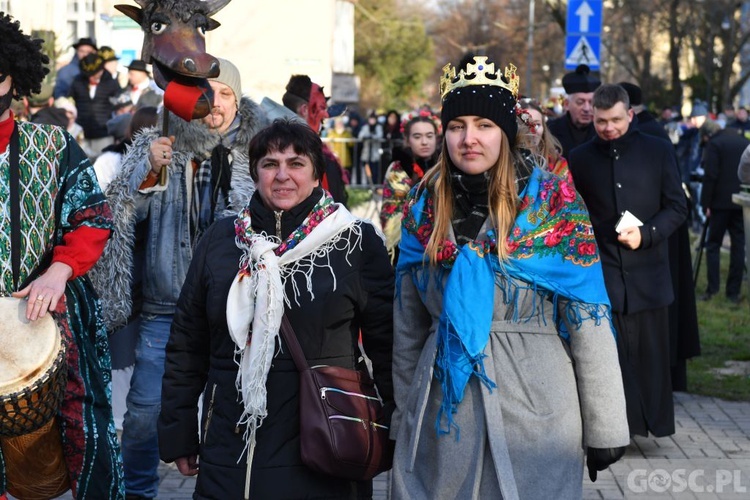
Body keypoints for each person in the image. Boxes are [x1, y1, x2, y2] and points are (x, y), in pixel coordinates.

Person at [390, 55, 629, 499]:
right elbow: (408, 326)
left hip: (538, 412)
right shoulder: (424, 206)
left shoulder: (552, 203)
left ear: (505, 129)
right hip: (445, 412)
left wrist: (606, 426)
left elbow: (587, 317)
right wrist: (405, 416)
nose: (469, 139)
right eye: (458, 125)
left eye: (483, 124)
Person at [158, 119, 394, 498]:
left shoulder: (354, 242)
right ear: (255, 174)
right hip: (231, 443)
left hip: (322, 443)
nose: (282, 175)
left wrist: (397, 425)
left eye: (296, 163)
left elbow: (388, 345)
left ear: (317, 174)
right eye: (270, 164)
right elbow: (188, 342)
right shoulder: (221, 241)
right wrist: (178, 429)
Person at [90, 57, 267, 500]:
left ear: (238, 102)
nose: (216, 104)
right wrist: (147, 171)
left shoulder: (258, 155)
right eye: (207, 93)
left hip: (236, 311)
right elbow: (117, 215)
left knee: (231, 414)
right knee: (144, 414)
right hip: (165, 308)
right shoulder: (161, 147)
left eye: (226, 94)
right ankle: (138, 493)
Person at [0, 14, 123, 499]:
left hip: (56, 314)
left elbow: (93, 217)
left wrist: (59, 270)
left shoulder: (51, 144)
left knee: (88, 434)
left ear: (13, 76)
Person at [568, 84, 688, 438]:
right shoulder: (580, 157)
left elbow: (678, 208)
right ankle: (617, 430)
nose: (608, 128)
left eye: (616, 120)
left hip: (649, 273)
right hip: (603, 273)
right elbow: (576, 214)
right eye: (602, 121)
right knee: (611, 359)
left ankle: (653, 423)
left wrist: (647, 234)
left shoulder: (659, 151)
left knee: (651, 358)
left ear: (630, 114)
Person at [278, 74, 349, 204]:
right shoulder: (291, 150)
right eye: (320, 110)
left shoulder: (268, 142)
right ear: (305, 109)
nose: (323, 122)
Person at [380, 110, 440, 259]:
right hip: (408, 245)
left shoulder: (445, 164)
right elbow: (392, 214)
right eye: (417, 136)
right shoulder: (399, 168)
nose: (424, 142)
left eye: (429, 136)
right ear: (407, 140)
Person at [699, 119, 747, 304]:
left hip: (719, 203)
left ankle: (713, 289)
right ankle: (732, 292)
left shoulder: (715, 144)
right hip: (740, 201)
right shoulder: (743, 142)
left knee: (713, 246)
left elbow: (710, 175)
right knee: (738, 246)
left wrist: (705, 203)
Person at [68, 52, 122, 159]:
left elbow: (120, 106)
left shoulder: (111, 82)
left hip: (104, 133)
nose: (91, 77)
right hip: (82, 133)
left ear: (101, 70)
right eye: (89, 75)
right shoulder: (78, 81)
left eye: (94, 74)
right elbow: (70, 101)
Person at [547, 64, 601, 157]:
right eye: (580, 102)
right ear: (567, 104)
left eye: (591, 102)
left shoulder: (602, 130)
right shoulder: (551, 130)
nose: (587, 108)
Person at [517, 98, 571, 182]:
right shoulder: (507, 163)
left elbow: (568, 192)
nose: (533, 130)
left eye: (537, 124)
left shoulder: (556, 162)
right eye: (525, 124)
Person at [359, 111, 384, 184]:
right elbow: (360, 136)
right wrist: (366, 137)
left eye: (373, 119)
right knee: (367, 171)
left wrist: (372, 137)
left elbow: (380, 136)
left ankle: (375, 186)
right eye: (371, 119)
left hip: (375, 153)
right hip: (366, 154)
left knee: (375, 171)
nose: (372, 121)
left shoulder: (378, 127)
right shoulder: (365, 127)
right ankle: (368, 185)